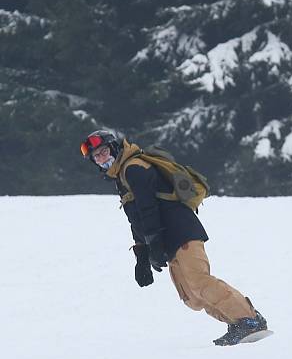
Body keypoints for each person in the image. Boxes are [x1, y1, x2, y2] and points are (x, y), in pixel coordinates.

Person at [79, 130, 269, 346]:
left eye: (103, 152)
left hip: (181, 232)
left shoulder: (134, 168)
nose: (102, 158)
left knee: (199, 281)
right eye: (96, 157)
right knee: (191, 297)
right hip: (168, 239)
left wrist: (154, 243)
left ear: (114, 148)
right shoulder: (122, 177)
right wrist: (142, 255)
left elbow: (148, 209)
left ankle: (249, 319)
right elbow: (136, 218)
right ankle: (237, 323)